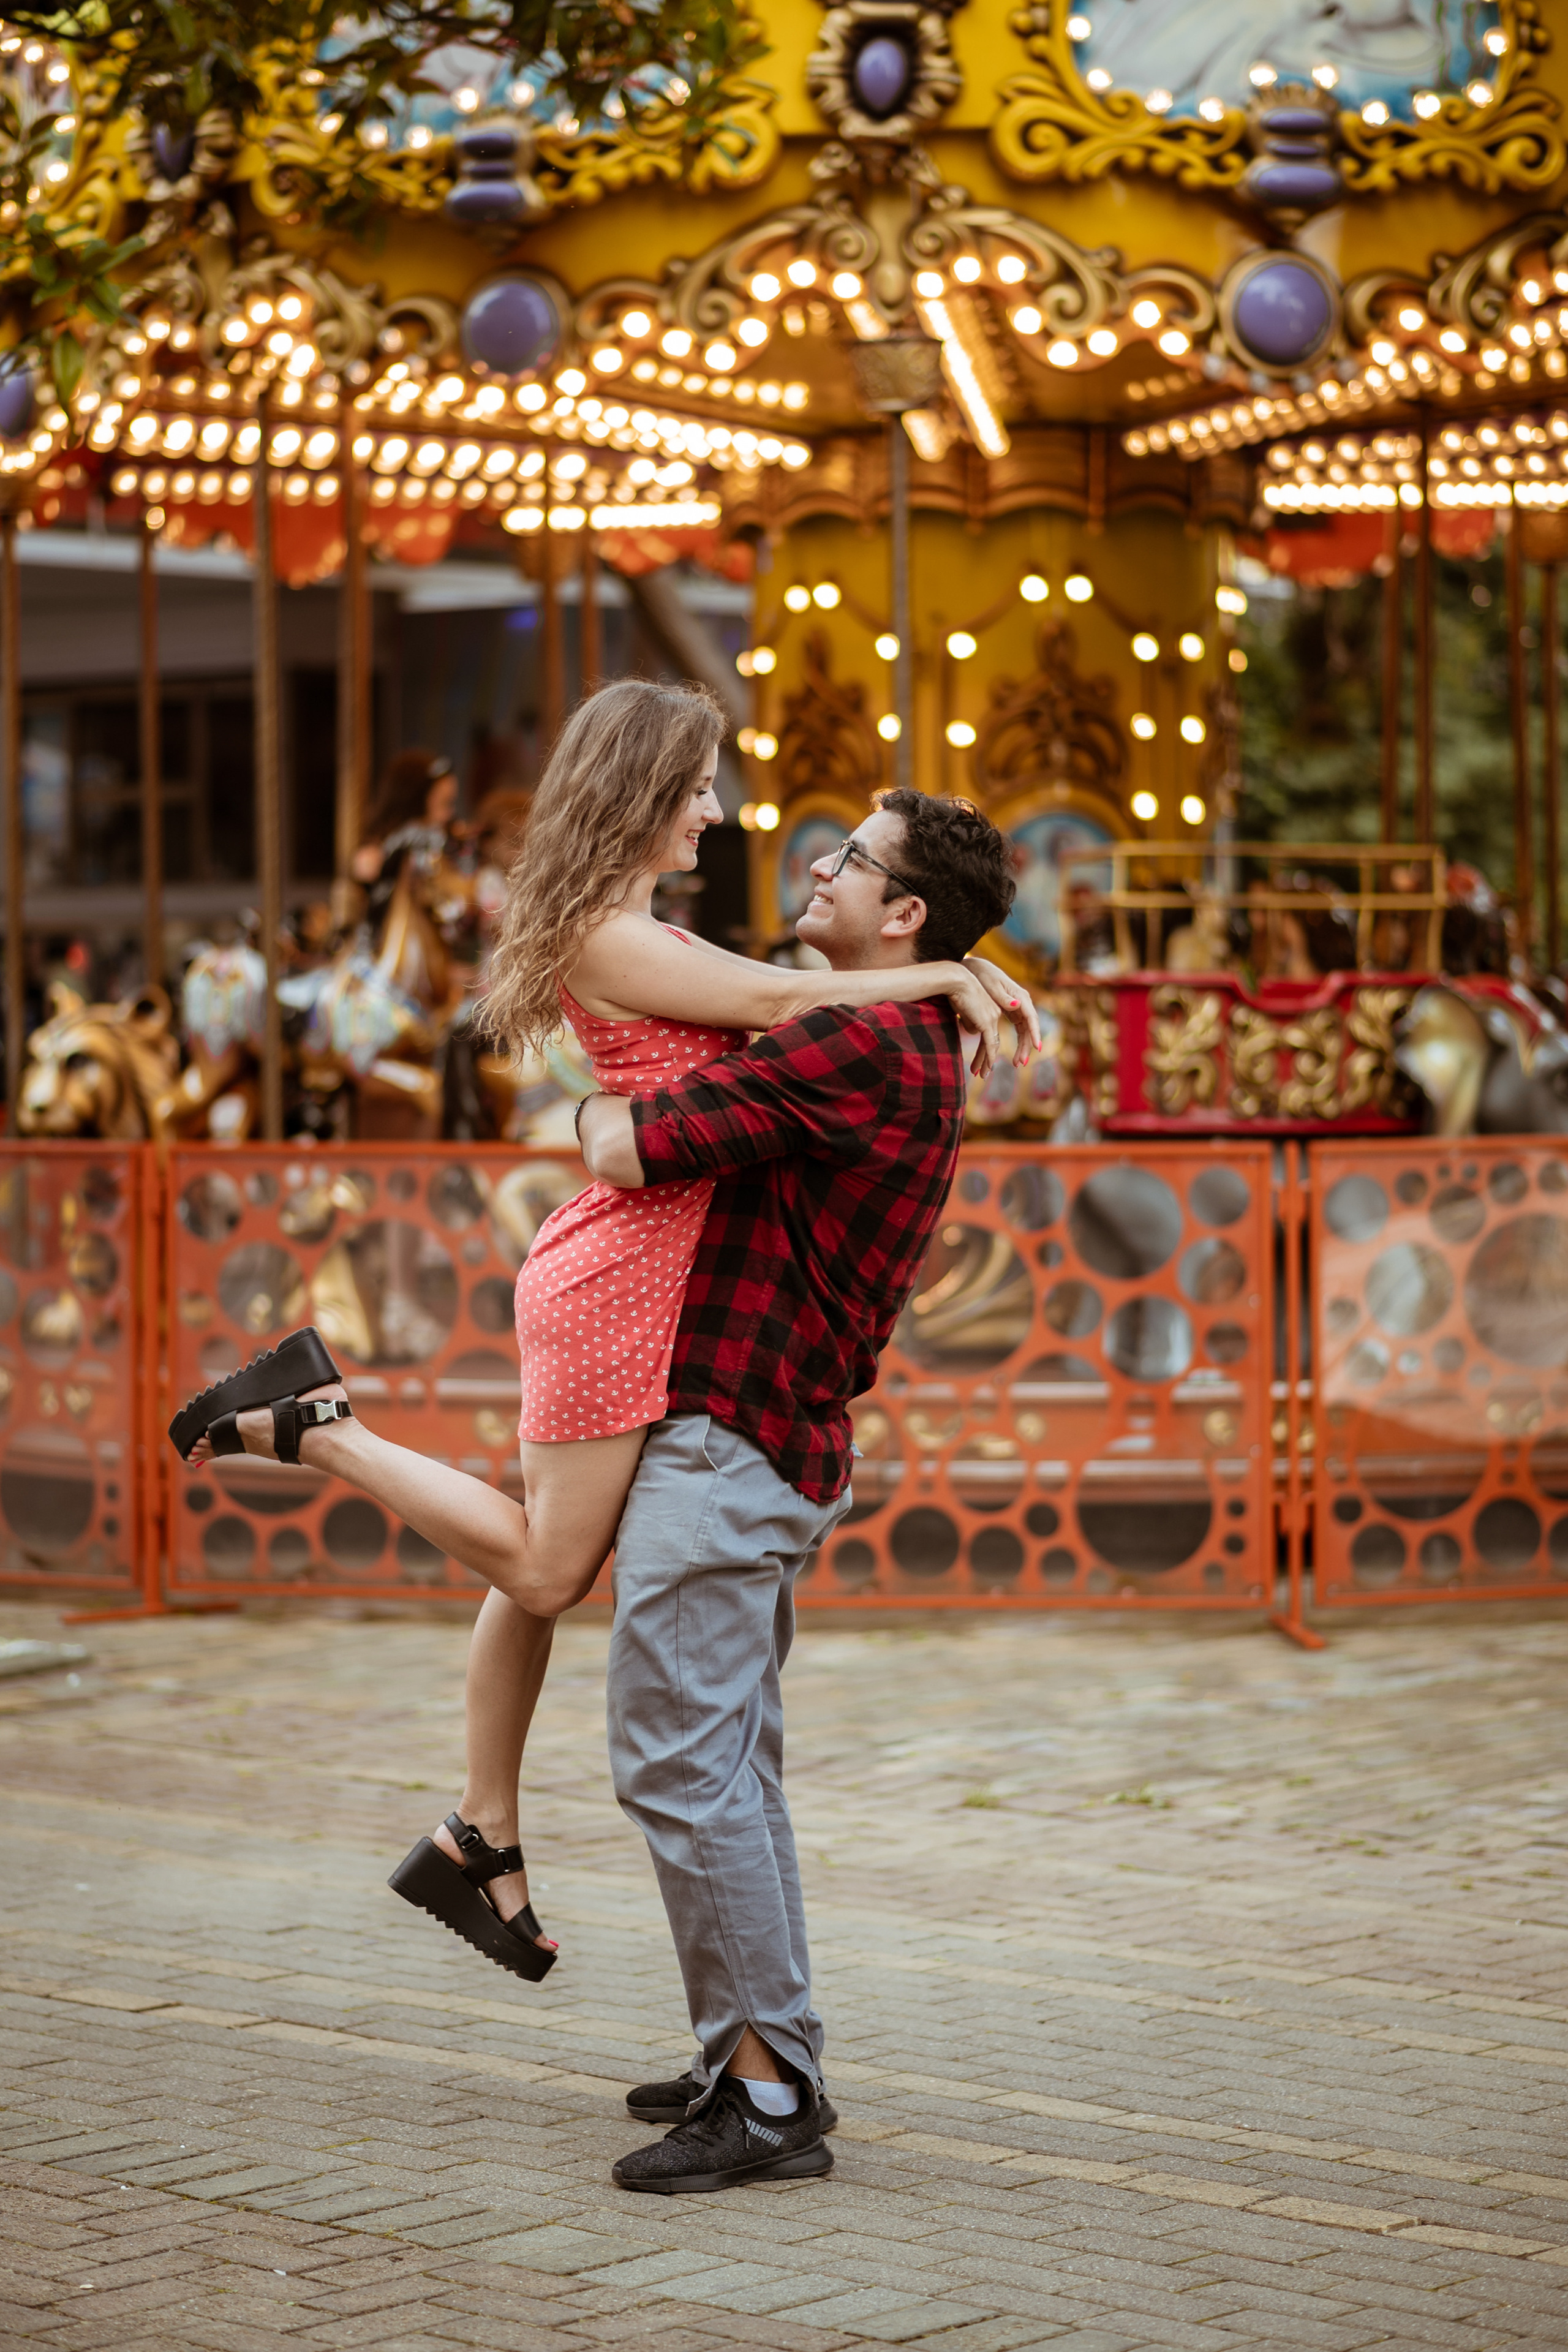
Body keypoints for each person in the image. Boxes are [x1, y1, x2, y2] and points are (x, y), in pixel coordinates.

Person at [171, 679, 1034, 1992]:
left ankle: (483, 1828)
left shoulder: (642, 926)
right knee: (543, 1567)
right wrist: (952, 971)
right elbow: (777, 1005)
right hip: (634, 1266)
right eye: (698, 788)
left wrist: (957, 965)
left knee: (536, 1557)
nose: (715, 813)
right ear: (642, 789)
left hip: (651, 1259)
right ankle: (320, 1430)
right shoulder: (604, 931)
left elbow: (786, 996)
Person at [571, 777, 1018, 2190]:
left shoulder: (855, 1042)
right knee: (728, 1765)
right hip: (771, 1439)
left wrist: (590, 1099)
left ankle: (764, 2096)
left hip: (730, 1436)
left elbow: (628, 1145)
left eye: (851, 861)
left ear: (904, 914)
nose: (817, 869)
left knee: (677, 1761)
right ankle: (760, 2048)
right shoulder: (900, 1029)